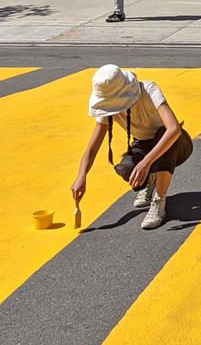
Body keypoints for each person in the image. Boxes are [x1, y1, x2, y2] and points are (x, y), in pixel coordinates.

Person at [71, 65, 193, 230]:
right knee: (126, 169)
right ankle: (152, 180)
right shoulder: (109, 109)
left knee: (162, 137)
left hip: (175, 144)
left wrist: (146, 163)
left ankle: (160, 200)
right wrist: (81, 176)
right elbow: (92, 148)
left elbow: (174, 129)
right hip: (143, 144)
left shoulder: (149, 90)